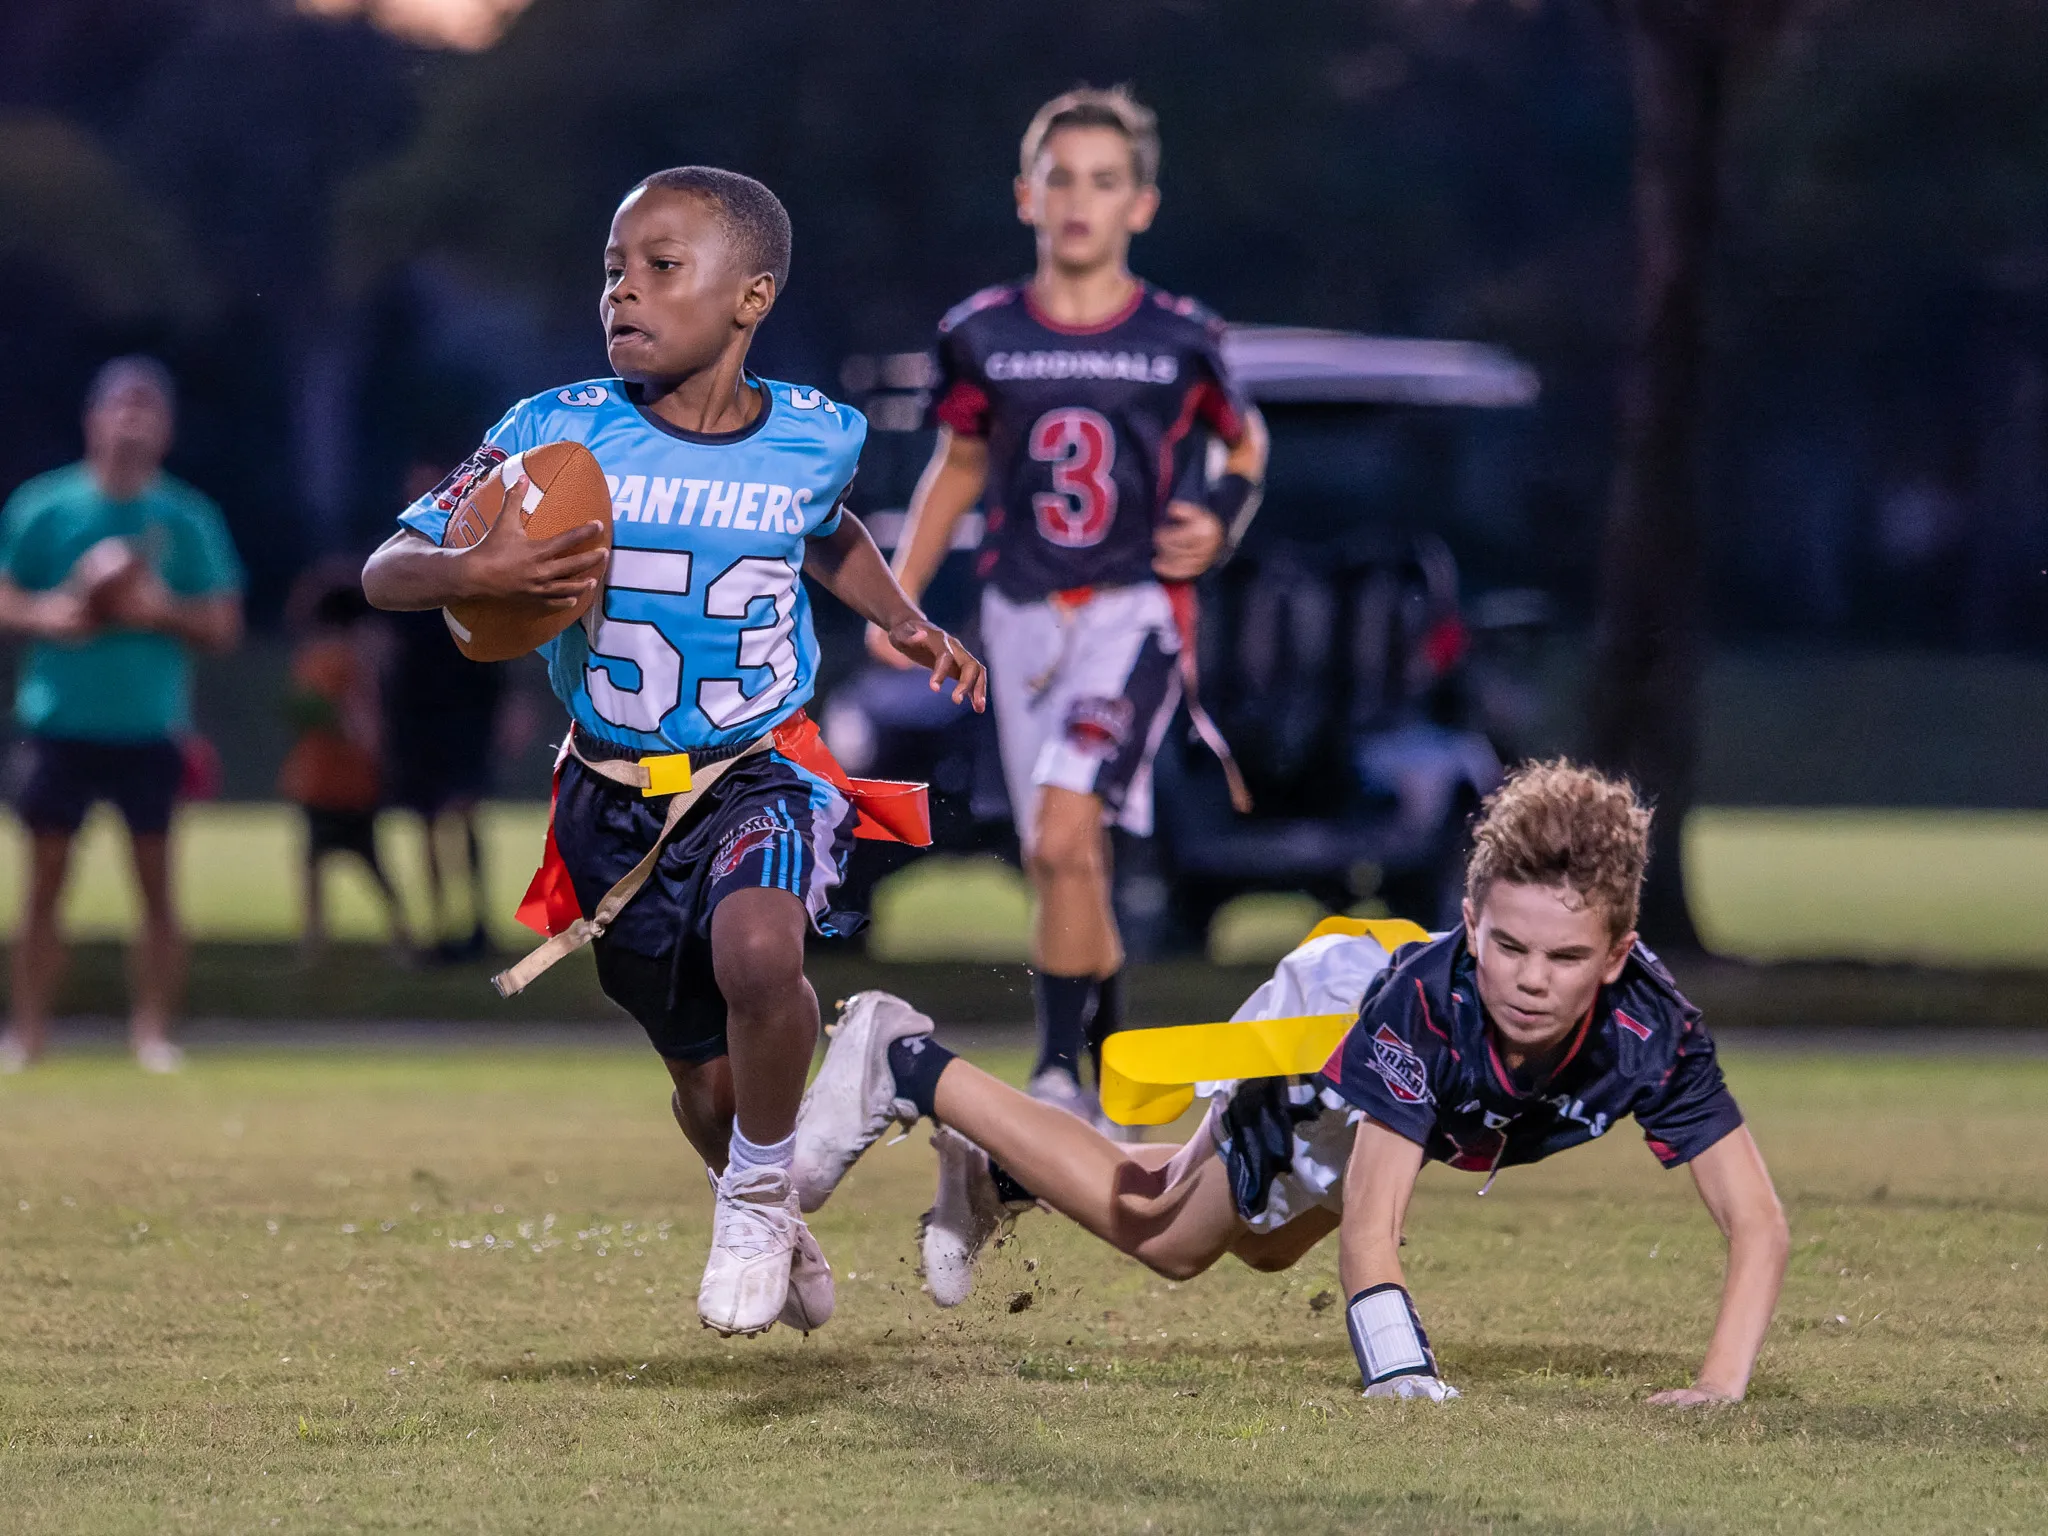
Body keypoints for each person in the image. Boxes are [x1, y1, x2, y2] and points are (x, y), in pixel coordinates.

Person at [361, 167, 987, 1339]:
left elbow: (825, 529)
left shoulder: (813, 433)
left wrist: (899, 616)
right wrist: (468, 571)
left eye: (660, 268)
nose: (624, 294)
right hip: (611, 796)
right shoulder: (554, 430)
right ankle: (774, 1181)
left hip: (761, 764)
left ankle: (754, 1203)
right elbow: (383, 570)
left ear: (749, 296)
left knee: (762, 954)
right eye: (613, 270)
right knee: (706, 1089)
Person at [793, 761, 1790, 1407]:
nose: (1531, 981)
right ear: (1469, 920)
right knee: (1170, 1233)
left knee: (1261, 1242)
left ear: (1618, 954)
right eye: (1507, 946)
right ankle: (903, 1060)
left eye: (1565, 956)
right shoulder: (1426, 1011)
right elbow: (1370, 1227)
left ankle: (1003, 1172)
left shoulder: (1652, 1032)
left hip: (1401, 1080)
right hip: (1331, 1030)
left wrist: (1717, 1387)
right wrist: (1398, 1375)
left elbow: (1755, 1223)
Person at [868, 86, 1270, 1122]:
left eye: (1104, 179)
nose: (1079, 199)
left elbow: (1244, 443)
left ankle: (1054, 1076)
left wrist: (1218, 518)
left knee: (1058, 832)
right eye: (1061, 178)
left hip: (1130, 617)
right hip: (1018, 617)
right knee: (1066, 856)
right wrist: (899, 595)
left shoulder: (1180, 335)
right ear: (1024, 196)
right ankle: (1116, 1058)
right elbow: (956, 468)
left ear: (1140, 204)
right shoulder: (980, 333)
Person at [0, 357, 244, 1074]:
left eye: (147, 410)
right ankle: (28, 1032)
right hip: (59, 724)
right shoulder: (44, 507)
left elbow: (222, 624)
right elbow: (8, 595)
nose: (131, 423)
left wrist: (157, 610)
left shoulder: (186, 517)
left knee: (157, 888)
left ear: (165, 429)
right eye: (120, 408)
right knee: (43, 886)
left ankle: (152, 1033)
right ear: (93, 418)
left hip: (148, 727)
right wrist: (52, 614)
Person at [386, 460, 508, 964]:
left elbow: (502, 628)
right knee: (429, 819)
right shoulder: (403, 558)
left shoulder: (478, 547)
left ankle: (478, 920)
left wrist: (507, 705)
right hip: (417, 706)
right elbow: (381, 640)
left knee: (465, 811)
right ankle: (440, 926)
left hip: (467, 702)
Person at [278, 568, 413, 963]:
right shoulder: (357, 658)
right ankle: (398, 936)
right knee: (369, 862)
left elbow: (311, 708)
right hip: (349, 779)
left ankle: (315, 938)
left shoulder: (322, 658)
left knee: (317, 862)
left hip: (322, 779)